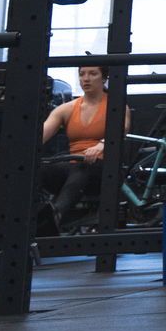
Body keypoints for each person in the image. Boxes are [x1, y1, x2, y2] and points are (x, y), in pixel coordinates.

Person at [38, 64, 129, 230]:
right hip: (75, 167)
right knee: (39, 169)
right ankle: (27, 219)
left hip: (104, 169)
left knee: (83, 166)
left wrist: (101, 146)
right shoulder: (66, 109)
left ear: (104, 78)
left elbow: (120, 132)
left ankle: (56, 217)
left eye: (93, 74)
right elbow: (40, 136)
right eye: (82, 74)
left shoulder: (117, 107)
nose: (86, 78)